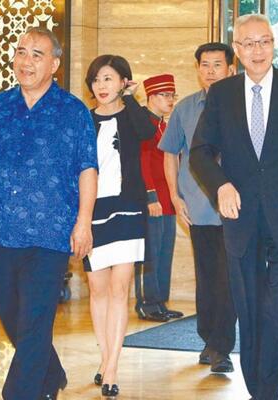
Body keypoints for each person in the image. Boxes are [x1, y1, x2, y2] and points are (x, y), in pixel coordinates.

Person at [0, 27, 98, 400]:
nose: (26, 61)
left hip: (51, 233)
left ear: (55, 65)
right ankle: (51, 372)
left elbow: (87, 170)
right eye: (21, 52)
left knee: (34, 318)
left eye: (37, 54)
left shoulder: (73, 111)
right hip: (3, 230)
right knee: (12, 313)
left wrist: (84, 222)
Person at [190, 14, 278, 400]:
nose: (258, 50)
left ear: (273, 45)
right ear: (237, 50)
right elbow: (200, 152)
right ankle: (260, 389)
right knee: (250, 308)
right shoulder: (221, 94)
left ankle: (269, 389)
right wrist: (220, 185)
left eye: (265, 42)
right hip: (241, 219)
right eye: (249, 43)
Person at [158, 42, 237, 374]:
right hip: (198, 207)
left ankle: (221, 347)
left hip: (236, 209)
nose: (210, 71)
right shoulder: (186, 108)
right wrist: (175, 197)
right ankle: (210, 341)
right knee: (207, 278)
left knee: (228, 279)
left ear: (231, 69)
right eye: (205, 65)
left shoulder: (243, 105)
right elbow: (170, 153)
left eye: (217, 64)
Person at [83, 54, 155, 398]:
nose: (101, 85)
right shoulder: (84, 119)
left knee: (119, 289)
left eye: (109, 78)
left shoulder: (132, 115)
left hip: (128, 209)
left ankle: (112, 367)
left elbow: (147, 131)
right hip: (92, 210)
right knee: (97, 290)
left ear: (123, 82)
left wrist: (131, 97)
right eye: (97, 79)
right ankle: (105, 356)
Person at [134, 73, 184, 322]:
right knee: (150, 254)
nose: (170, 100)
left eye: (172, 95)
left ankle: (160, 302)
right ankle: (147, 303)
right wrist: (150, 195)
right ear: (151, 97)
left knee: (164, 252)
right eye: (165, 95)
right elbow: (142, 161)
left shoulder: (164, 125)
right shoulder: (144, 124)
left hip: (168, 199)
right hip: (152, 199)